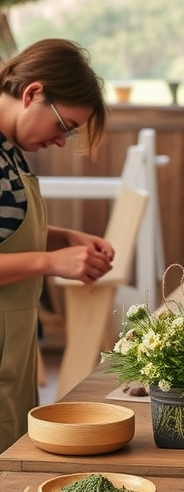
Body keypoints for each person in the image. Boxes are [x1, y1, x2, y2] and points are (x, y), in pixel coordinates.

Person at [0, 38, 114, 452]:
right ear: (32, 94)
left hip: (12, 347)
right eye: (63, 125)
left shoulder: (10, 151)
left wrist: (64, 238)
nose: (62, 140)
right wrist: (51, 261)